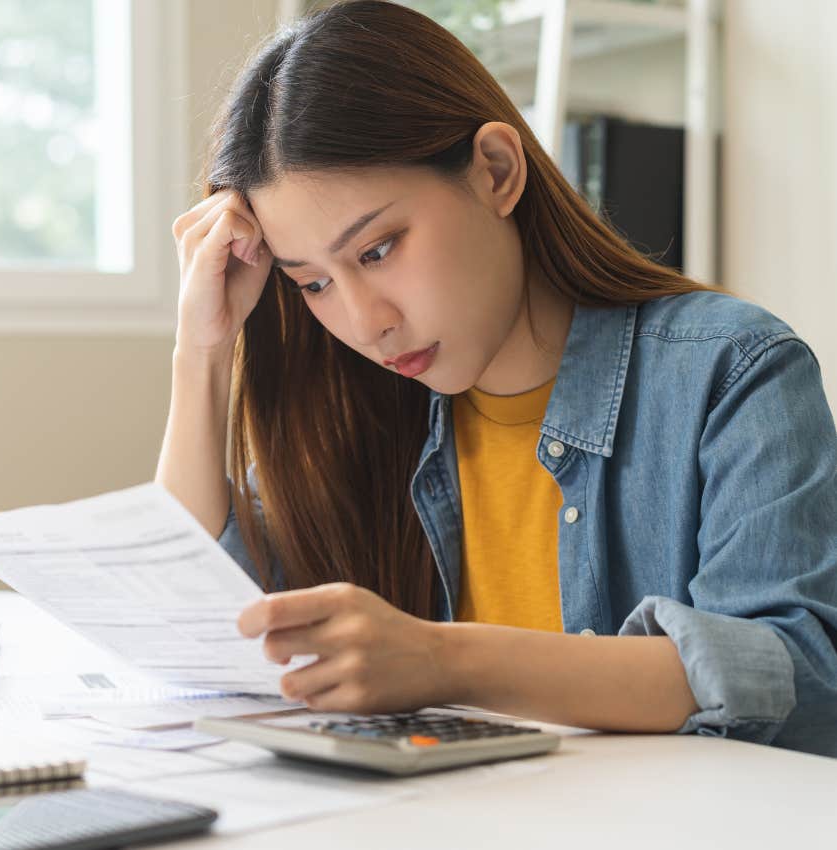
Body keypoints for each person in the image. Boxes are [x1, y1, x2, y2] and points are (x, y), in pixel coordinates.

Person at [156, 0, 837, 757]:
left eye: (378, 250)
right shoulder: (361, 412)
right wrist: (202, 352)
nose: (365, 322)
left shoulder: (729, 373)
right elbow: (193, 637)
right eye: (313, 283)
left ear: (496, 172)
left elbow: (797, 679)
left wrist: (442, 659)